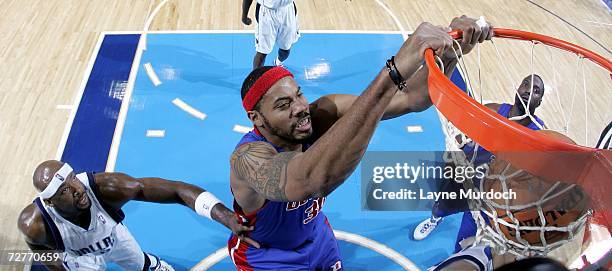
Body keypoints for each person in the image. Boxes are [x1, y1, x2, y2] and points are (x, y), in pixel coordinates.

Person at [227, 15, 493, 270]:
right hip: (270, 258)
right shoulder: (248, 159)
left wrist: (449, 53)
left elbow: (412, 97)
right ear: (257, 119)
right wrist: (392, 72)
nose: (299, 108)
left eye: (299, 95)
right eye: (284, 105)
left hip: (317, 237)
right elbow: (310, 181)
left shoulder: (322, 113)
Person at [17, 160, 257, 271]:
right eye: (65, 190)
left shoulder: (108, 188)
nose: (77, 188)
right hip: (79, 257)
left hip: (113, 237)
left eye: (72, 178)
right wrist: (56, 266)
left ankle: (154, 265)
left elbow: (177, 191)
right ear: (50, 201)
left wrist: (226, 217)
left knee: (140, 264)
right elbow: (35, 246)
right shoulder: (35, 225)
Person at [413, 74, 547, 241]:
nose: (528, 90)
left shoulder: (541, 134)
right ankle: (435, 219)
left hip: (497, 193)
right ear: (518, 88)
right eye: (526, 84)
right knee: (443, 203)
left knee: (470, 238)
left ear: (539, 102)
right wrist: (459, 145)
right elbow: (462, 135)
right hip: (471, 176)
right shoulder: (492, 111)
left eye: (536, 91)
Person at [241, 0, 300, 69]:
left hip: (288, 11)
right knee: (262, 52)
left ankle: (278, 62)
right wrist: (244, 16)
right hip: (266, 13)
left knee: (286, 49)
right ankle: (256, 78)